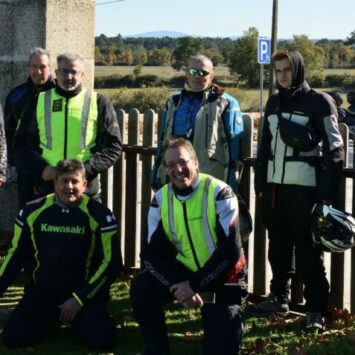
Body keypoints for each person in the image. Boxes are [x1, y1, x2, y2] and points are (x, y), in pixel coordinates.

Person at [251, 49, 344, 332]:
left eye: (287, 70)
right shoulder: (274, 102)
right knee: (277, 248)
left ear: (299, 69)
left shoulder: (319, 102)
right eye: (278, 71)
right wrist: (261, 185)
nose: (282, 76)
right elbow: (265, 146)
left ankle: (315, 309)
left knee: (308, 252)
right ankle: (278, 297)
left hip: (304, 191)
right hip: (274, 190)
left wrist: (325, 197)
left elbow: (335, 149)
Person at [131, 138, 246, 355]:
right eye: (171, 165)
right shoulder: (160, 199)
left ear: (196, 163)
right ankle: (156, 348)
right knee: (141, 287)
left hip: (221, 276)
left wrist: (194, 285)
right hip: (184, 274)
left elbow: (231, 251)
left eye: (183, 162)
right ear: (165, 169)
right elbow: (149, 255)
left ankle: (231, 323)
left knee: (220, 347)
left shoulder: (220, 193)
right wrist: (178, 284)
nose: (178, 169)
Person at [0, 158, 122, 351]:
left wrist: (79, 299)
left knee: (104, 341)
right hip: (43, 293)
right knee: (12, 339)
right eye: (63, 181)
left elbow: (112, 263)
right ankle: (50, 319)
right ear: (54, 183)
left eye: (75, 181)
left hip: (80, 296)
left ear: (85, 184)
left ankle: (76, 319)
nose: (69, 187)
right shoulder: (32, 210)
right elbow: (16, 255)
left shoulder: (100, 215)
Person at [14, 51, 122, 201]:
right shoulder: (38, 101)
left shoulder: (99, 102)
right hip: (47, 188)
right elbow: (20, 143)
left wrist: (86, 170)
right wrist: (41, 168)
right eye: (64, 71)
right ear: (57, 73)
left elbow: (113, 146)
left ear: (82, 75)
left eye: (74, 72)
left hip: (84, 190)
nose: (68, 77)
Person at [151, 54, 244, 193]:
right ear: (186, 73)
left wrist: (232, 182)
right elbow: (163, 140)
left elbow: (234, 149)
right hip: (176, 176)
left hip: (210, 179)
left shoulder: (226, 103)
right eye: (193, 72)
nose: (197, 76)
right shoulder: (173, 101)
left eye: (203, 73)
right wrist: (157, 173)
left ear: (211, 76)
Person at [4, 47, 55, 207]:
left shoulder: (60, 94)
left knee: (51, 214)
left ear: (50, 68)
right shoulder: (16, 96)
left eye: (42, 67)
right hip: (25, 166)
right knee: (26, 213)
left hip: (52, 167)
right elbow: (7, 130)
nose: (38, 71)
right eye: (34, 66)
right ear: (28, 67)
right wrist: (14, 160)